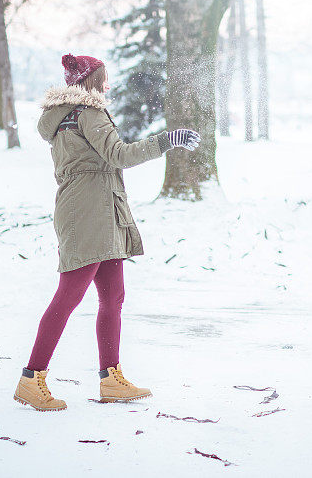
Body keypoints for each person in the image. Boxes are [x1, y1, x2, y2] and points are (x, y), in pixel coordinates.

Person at [13, 54, 201, 412]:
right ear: (91, 81)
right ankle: (30, 378)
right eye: (104, 78)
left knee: (113, 296)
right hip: (87, 212)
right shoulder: (89, 113)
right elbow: (119, 155)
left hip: (102, 208)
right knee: (68, 297)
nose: (108, 84)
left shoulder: (70, 116)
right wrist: (167, 140)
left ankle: (110, 378)